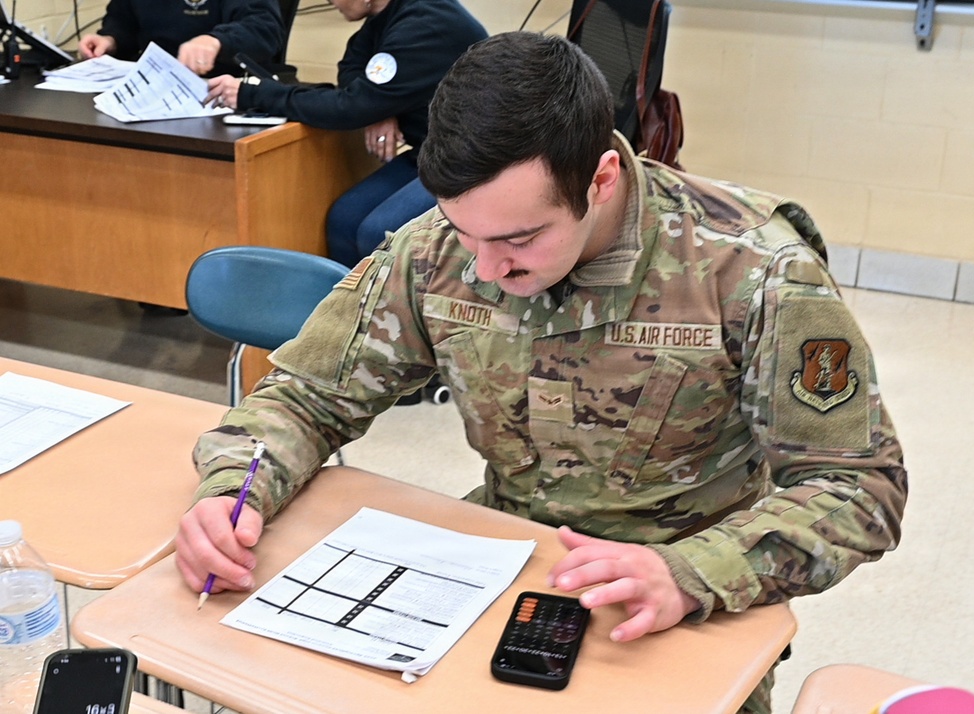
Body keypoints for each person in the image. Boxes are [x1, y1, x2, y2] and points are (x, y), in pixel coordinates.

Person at [176, 32, 907, 713]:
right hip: (501, 582)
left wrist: (692, 572)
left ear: (602, 178)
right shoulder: (439, 248)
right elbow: (308, 396)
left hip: (681, 607)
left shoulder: (752, 269)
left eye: (521, 239)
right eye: (467, 233)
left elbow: (858, 485)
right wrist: (237, 489)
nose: (487, 267)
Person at [202, 0, 488, 268]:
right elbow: (351, 69)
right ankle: (349, 315)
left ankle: (394, 318)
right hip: (429, 153)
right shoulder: (383, 20)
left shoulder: (426, 25)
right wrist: (379, 106)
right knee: (343, 219)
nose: (330, 2)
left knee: (379, 231)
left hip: (472, 161)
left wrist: (252, 93)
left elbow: (348, 107)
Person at [77, 0, 284, 77]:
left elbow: (264, 29)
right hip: (155, 84)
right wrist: (111, 40)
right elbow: (124, 20)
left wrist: (216, 41)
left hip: (224, 86)